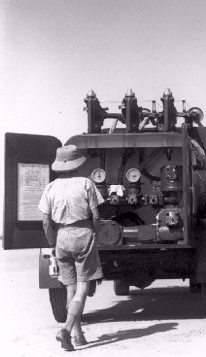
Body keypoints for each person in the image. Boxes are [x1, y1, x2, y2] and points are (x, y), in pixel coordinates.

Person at [38, 144, 104, 351]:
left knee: (70, 289)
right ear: (77, 164)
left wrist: (52, 242)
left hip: (61, 238)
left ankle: (78, 335)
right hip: (83, 234)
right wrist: (94, 232)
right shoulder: (86, 183)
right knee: (83, 287)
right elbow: (96, 216)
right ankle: (66, 330)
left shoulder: (50, 187)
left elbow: (46, 222)